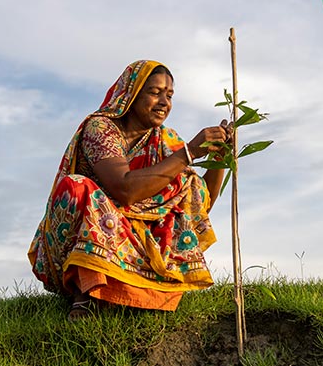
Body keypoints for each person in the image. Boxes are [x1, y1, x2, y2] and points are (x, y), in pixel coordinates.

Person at [28, 59, 231, 320]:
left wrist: (219, 158)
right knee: (77, 187)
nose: (164, 102)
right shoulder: (100, 128)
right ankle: (87, 293)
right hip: (87, 234)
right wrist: (188, 153)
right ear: (130, 95)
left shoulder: (166, 140)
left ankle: (136, 291)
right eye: (155, 92)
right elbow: (124, 190)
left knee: (187, 183)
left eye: (169, 95)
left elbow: (200, 203)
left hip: (133, 241)